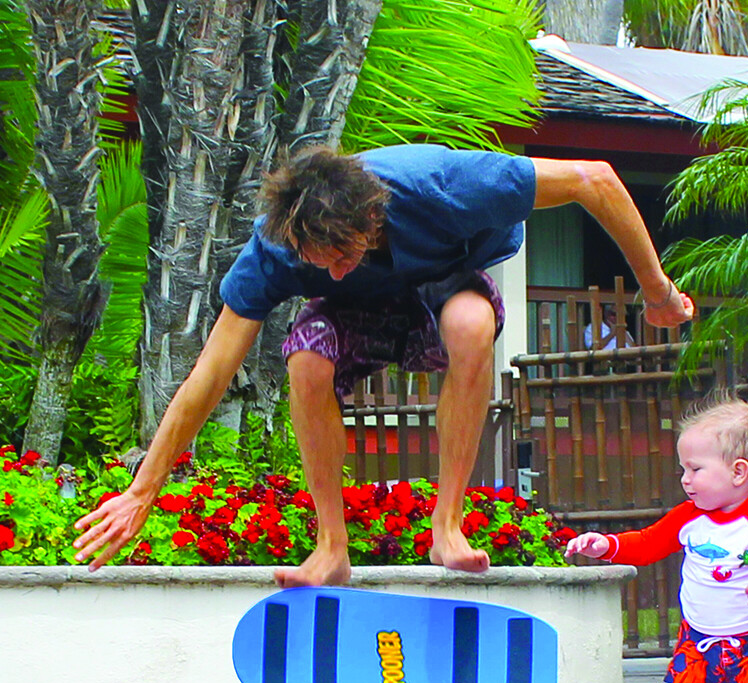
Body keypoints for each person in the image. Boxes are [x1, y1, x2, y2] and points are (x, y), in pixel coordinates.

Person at [72, 143, 694, 588]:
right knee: (308, 356)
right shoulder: (275, 249)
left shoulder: (445, 183)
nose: (336, 267)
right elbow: (207, 376)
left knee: (472, 325)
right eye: (320, 261)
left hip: (443, 285)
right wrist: (141, 491)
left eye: (344, 254)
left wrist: (657, 291)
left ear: (373, 217)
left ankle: (446, 525)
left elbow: (597, 179)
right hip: (355, 316)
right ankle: (331, 547)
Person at [566, 395, 748, 683]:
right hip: (698, 639)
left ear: (738, 471)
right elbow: (650, 543)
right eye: (684, 469)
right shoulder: (689, 515)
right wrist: (608, 545)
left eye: (695, 469)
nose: (686, 479)